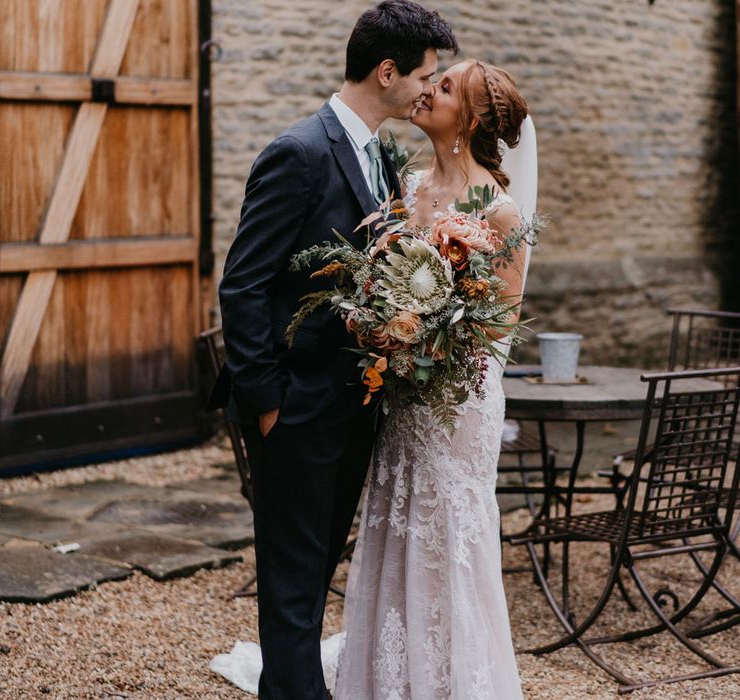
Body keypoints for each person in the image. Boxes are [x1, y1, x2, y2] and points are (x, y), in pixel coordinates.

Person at [210, 3, 458, 698]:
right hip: (294, 410)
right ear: (388, 72)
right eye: (424, 77)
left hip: (354, 407)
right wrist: (266, 406)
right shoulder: (300, 151)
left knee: (313, 575)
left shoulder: (379, 154)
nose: (426, 91)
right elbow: (244, 285)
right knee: (291, 584)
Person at [333, 59, 531, 699]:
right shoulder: (410, 188)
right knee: (396, 521)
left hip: (457, 403)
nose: (427, 90)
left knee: (448, 534)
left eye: (443, 87)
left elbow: (498, 327)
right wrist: (383, 325)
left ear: (468, 119)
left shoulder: (499, 213)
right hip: (404, 397)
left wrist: (426, 333)